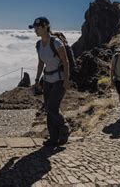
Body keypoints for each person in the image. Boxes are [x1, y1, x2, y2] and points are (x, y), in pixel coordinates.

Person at [29, 17, 70, 147]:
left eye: (37, 28)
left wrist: (67, 80)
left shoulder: (56, 42)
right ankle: (54, 138)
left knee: (52, 107)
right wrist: (36, 80)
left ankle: (64, 128)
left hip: (59, 79)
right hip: (47, 80)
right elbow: (41, 63)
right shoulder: (38, 44)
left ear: (45, 27)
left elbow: (65, 61)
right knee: (49, 108)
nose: (35, 30)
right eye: (34, 28)